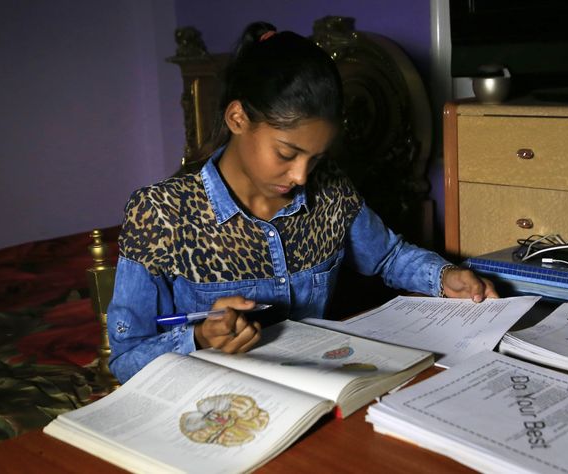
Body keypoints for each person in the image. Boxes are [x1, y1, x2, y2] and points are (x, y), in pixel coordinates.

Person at [107, 22, 497, 384]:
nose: (301, 177)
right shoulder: (160, 213)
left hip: (321, 390)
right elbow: (126, 359)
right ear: (238, 118)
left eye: (316, 158)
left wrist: (443, 277)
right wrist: (199, 337)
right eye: (287, 153)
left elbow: (387, 257)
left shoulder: (329, 192)